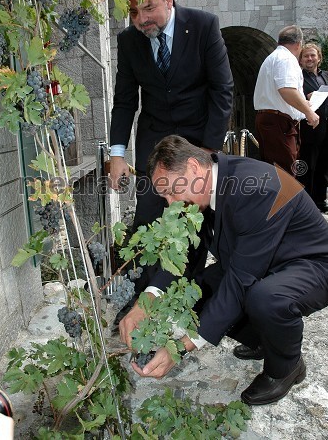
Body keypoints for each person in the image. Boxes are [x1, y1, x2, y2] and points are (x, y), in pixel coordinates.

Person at [119, 135, 328, 406]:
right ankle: (268, 340)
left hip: (313, 265)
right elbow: (182, 255)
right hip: (262, 264)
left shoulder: (256, 189)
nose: (170, 204)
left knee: (265, 298)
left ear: (194, 167)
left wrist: (179, 349)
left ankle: (286, 367)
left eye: (171, 191)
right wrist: (144, 302)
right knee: (197, 290)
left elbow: (239, 283)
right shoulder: (199, 193)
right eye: (164, 196)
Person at [109, 0, 233, 292]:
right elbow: (124, 102)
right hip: (154, 141)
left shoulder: (204, 26)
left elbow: (223, 90)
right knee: (149, 216)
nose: (141, 18)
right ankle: (143, 301)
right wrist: (117, 154)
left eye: (148, 8)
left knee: (196, 221)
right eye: (134, 11)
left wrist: (208, 151)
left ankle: (186, 296)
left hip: (198, 140)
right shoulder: (128, 40)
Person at [253, 25, 319, 176]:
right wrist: (309, 112)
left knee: (275, 172)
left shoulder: (274, 57)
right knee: (285, 174)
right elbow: (287, 90)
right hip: (278, 123)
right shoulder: (286, 59)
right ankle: (286, 200)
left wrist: (303, 104)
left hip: (272, 120)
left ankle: (279, 200)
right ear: (299, 44)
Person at [297, 43, 328, 211]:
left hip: (326, 127)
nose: (310, 59)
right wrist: (305, 98)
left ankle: (320, 201)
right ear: (301, 60)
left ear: (319, 58)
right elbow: (292, 98)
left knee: (324, 165)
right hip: (309, 128)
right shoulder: (298, 78)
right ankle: (307, 204)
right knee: (308, 165)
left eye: (312, 55)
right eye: (306, 56)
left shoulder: (326, 76)